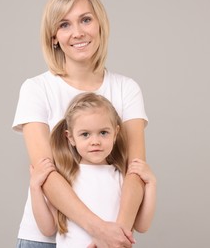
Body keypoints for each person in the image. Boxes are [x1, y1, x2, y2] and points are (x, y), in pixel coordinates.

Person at [12, 0, 149, 247]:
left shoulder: (126, 89)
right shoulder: (36, 88)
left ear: (99, 24)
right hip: (45, 240)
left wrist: (116, 233)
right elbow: (46, 173)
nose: (78, 32)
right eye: (64, 24)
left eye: (85, 19)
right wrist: (98, 229)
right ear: (54, 37)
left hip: (113, 237)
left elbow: (136, 169)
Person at [29, 92, 156, 247]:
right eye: (85, 134)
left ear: (115, 133)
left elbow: (142, 225)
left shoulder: (122, 177)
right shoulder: (66, 179)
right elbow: (47, 228)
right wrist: (35, 188)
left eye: (103, 133)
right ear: (70, 138)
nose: (95, 141)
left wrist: (151, 184)